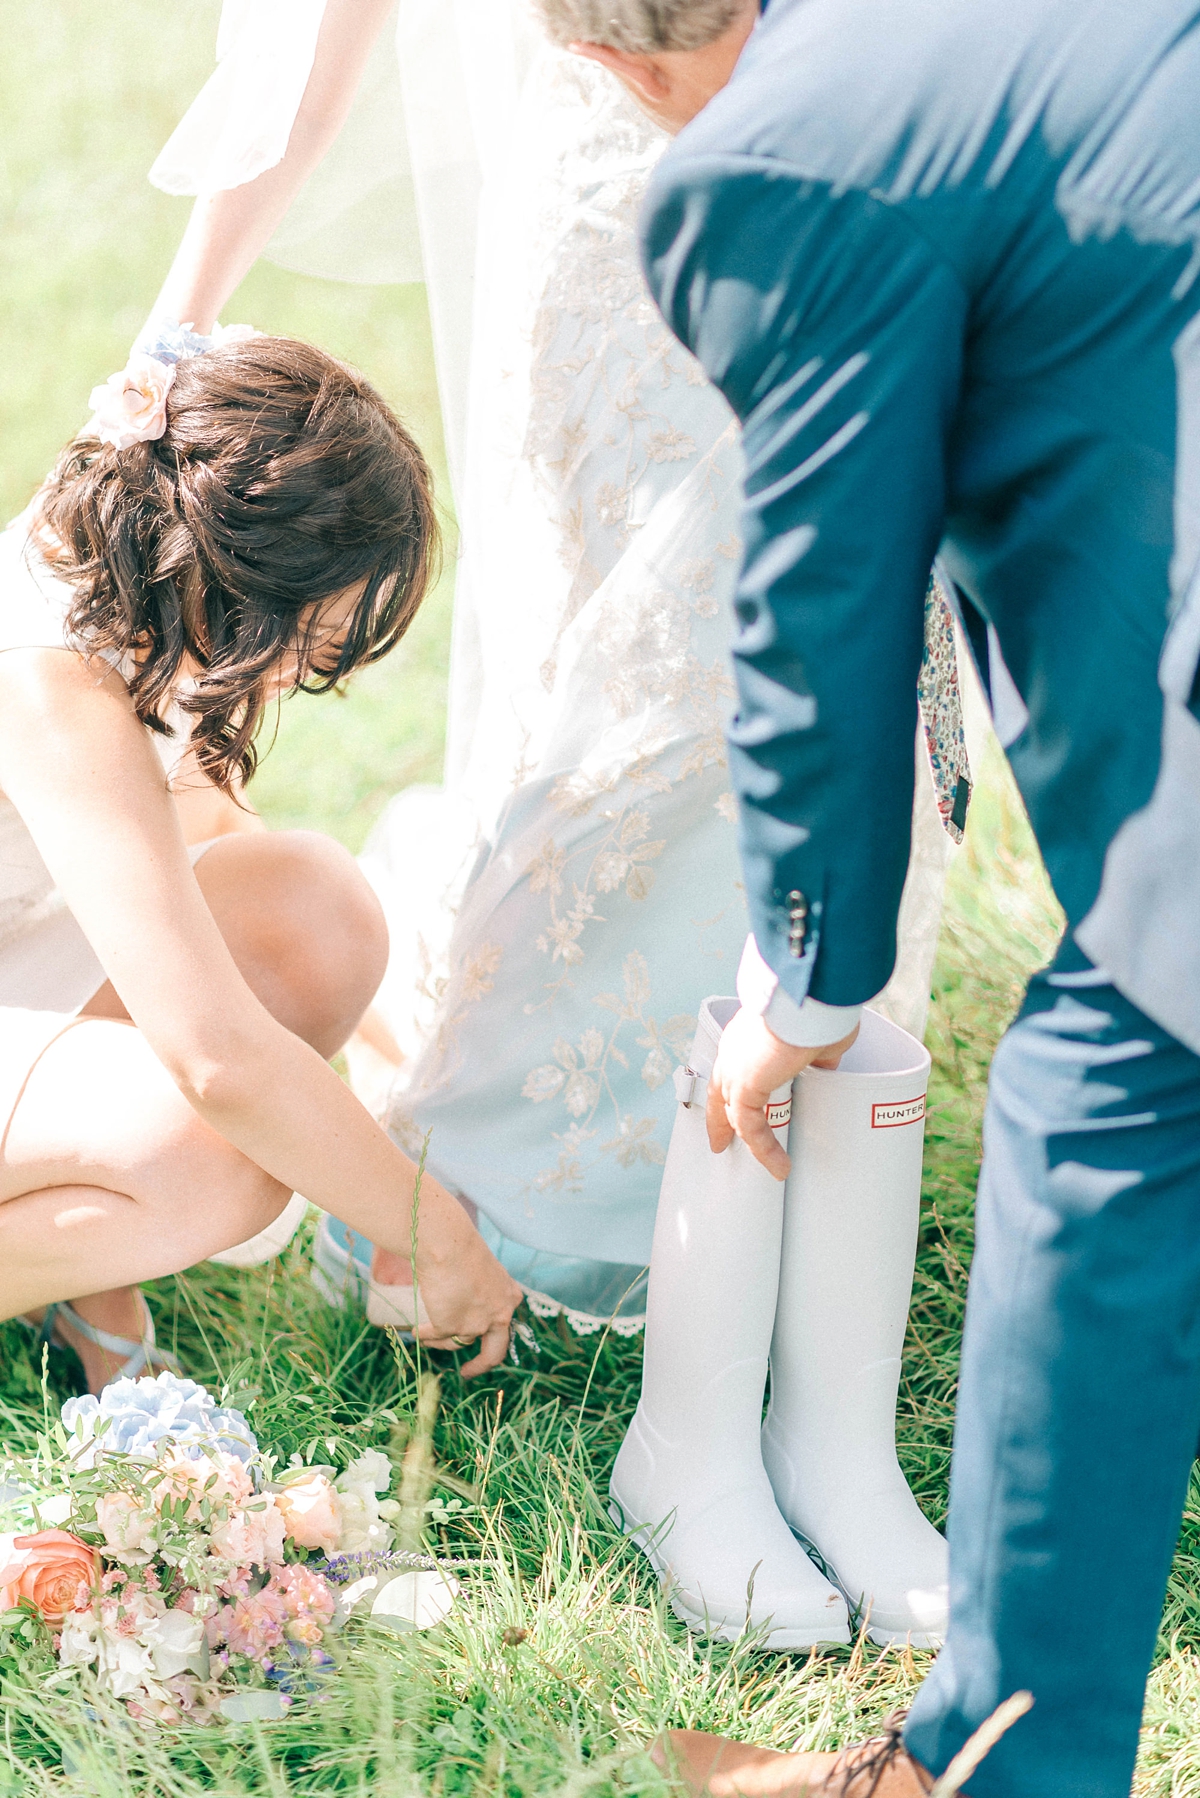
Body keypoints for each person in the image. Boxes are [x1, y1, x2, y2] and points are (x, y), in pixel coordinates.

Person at [569, 0, 1200, 1790]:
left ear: (617, 67)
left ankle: (989, 1761)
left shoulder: (782, 158)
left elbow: (825, 609)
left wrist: (805, 989)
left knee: (1108, 1097)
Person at [0, 329, 521, 1395]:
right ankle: (67, 1257)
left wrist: (384, 1120)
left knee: (321, 908)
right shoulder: (52, 678)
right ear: (246, 582)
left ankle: (74, 1256)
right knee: (217, 1155)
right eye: (314, 646)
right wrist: (434, 1237)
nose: (297, 680)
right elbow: (219, 1060)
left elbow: (225, 843)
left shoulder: (144, 581)